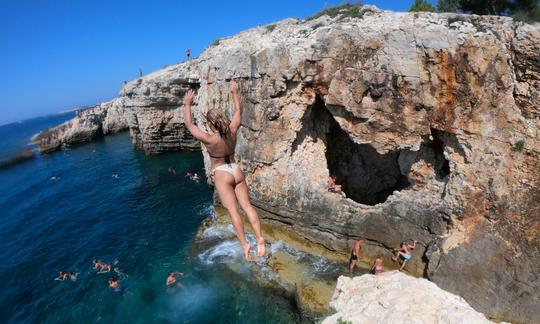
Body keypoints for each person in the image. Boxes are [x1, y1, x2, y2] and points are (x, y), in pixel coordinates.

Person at [183, 80, 265, 261]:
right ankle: (260, 238)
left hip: (221, 173)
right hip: (236, 170)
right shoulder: (233, 130)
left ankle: (245, 245)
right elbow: (238, 111)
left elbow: (189, 125)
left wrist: (187, 104)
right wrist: (235, 93)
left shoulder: (209, 139)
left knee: (234, 212)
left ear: (211, 124)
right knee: (247, 206)